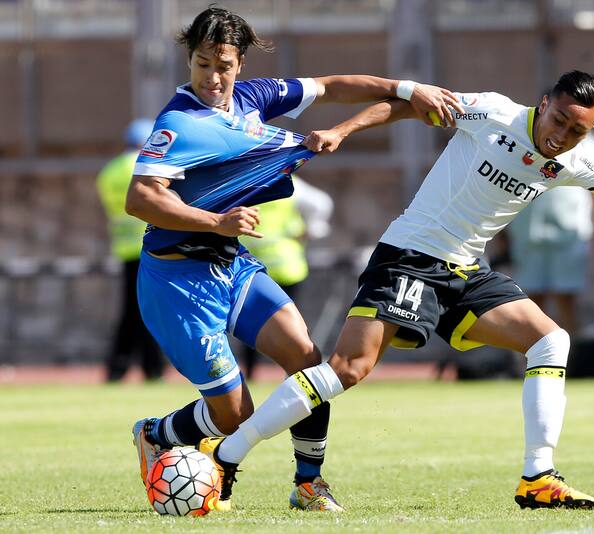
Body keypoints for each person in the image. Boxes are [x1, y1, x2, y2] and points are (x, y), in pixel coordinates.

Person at [199, 70, 594, 510]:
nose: (563, 138)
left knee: (551, 342)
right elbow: (407, 105)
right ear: (544, 103)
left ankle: (537, 476)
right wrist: (344, 129)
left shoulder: (568, 162)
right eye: (560, 123)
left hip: (466, 271)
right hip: (410, 255)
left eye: (579, 132)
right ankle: (226, 455)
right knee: (348, 369)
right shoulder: (493, 111)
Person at [125, 6, 462, 513]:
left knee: (306, 363)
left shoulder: (252, 99)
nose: (213, 78)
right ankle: (157, 433)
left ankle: (309, 483)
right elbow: (141, 198)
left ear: (240, 64)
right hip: (177, 282)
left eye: (223, 65)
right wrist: (216, 221)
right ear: (188, 62)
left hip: (230, 268)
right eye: (201, 65)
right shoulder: (179, 123)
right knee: (233, 415)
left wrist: (407, 89)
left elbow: (330, 86)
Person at [507, 132, 594, 335]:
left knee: (566, 300)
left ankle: (570, 364)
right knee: (529, 304)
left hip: (569, 235)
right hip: (528, 235)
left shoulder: (586, 141)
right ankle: (530, 363)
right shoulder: (521, 135)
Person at [237, 175, 334, 379]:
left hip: (257, 267)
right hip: (285, 264)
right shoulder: (289, 181)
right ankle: (296, 374)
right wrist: (311, 231)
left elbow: (321, 203)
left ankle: (252, 374)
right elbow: (321, 204)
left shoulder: (245, 179)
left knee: (251, 323)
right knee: (292, 324)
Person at [96, 118, 164, 382]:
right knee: (151, 312)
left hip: (125, 249)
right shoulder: (146, 166)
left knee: (129, 312)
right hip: (151, 247)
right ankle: (153, 369)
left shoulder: (110, 171)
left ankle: (117, 367)